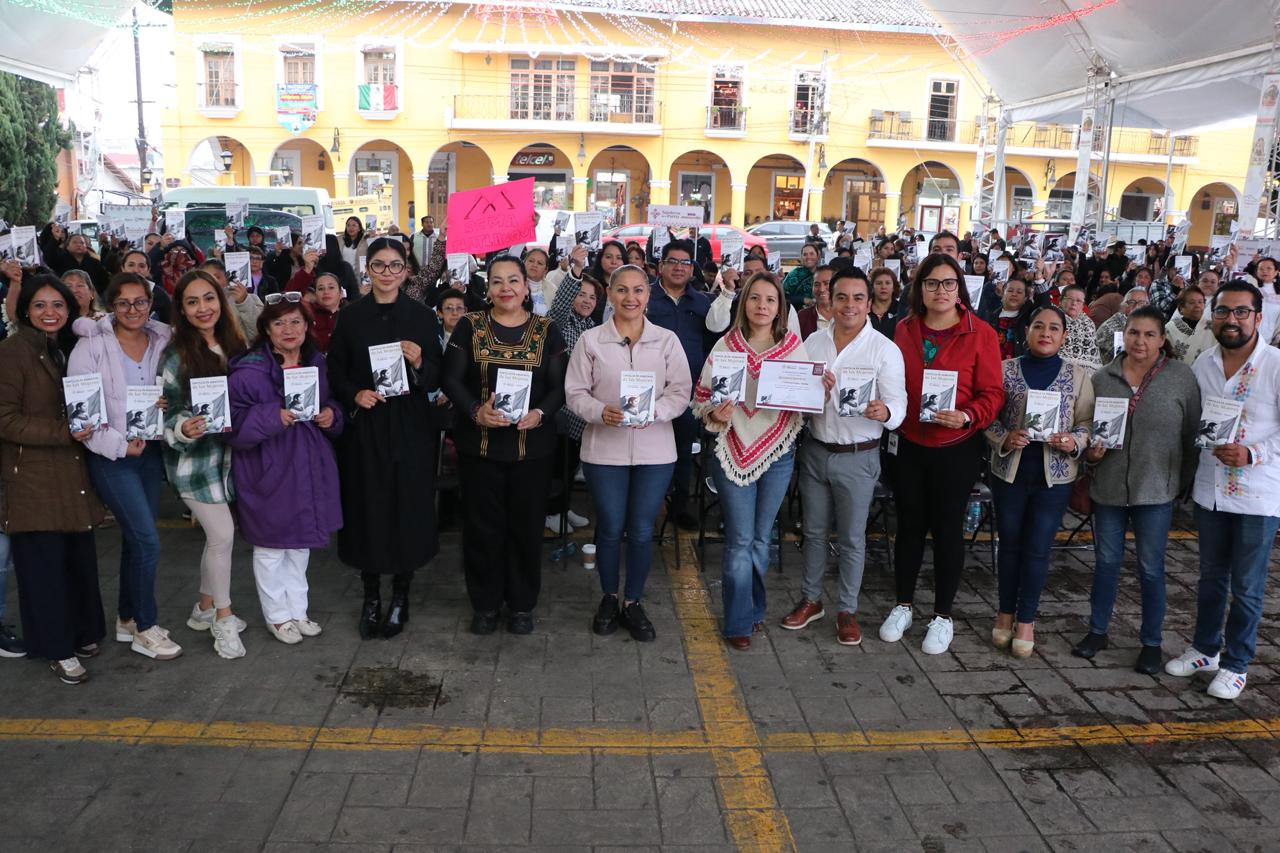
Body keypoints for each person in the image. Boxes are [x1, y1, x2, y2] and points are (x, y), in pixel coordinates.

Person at [881, 253, 1003, 655]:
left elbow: (993, 394)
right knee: (910, 526)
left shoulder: (980, 332)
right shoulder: (904, 329)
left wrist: (968, 415)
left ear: (960, 289)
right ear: (919, 289)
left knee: (948, 529)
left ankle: (943, 614)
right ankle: (903, 605)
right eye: (931, 283)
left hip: (955, 447)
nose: (940, 291)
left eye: (948, 283)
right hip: (909, 444)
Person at [1165, 281, 1280, 699]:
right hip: (1211, 489)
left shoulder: (1276, 365)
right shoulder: (1204, 365)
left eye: (1240, 312)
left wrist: (1253, 453)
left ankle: (1237, 663)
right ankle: (1205, 649)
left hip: (1257, 494)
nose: (1231, 320)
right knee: (1211, 576)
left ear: (1257, 317)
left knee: (1247, 586)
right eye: (1223, 311)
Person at [442, 255, 567, 635]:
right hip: (480, 448)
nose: (506, 288)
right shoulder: (470, 326)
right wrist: (474, 410)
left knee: (526, 527)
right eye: (497, 282)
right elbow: (450, 379)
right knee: (482, 528)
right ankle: (485, 604)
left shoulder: (547, 330)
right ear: (488, 288)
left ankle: (521, 605)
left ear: (526, 286)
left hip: (532, 450)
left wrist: (541, 414)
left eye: (514, 280)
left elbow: (560, 386)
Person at [565, 265, 691, 640]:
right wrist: (599, 412)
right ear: (609, 293)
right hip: (604, 451)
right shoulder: (591, 341)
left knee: (639, 531)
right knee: (610, 528)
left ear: (648, 295)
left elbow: (680, 392)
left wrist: (655, 413)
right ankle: (609, 596)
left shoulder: (667, 340)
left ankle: (633, 602)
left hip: (656, 452)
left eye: (638, 290)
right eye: (622, 290)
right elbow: (574, 393)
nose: (630, 298)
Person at [1072, 305, 1200, 673]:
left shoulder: (1181, 377)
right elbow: (1089, 434)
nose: (1139, 341)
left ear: (1162, 339)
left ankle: (1151, 642)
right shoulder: (1102, 378)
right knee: (1106, 563)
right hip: (1109, 489)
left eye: (1148, 334)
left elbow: (1192, 434)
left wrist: (1179, 483)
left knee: (1150, 569)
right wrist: (1092, 457)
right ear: (1123, 335)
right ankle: (1097, 631)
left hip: (1156, 492)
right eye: (1133, 333)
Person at [782, 268, 905, 645]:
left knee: (852, 537)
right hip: (816, 449)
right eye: (841, 298)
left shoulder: (884, 349)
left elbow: (899, 404)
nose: (849, 306)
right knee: (814, 531)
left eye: (857, 298)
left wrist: (883, 412)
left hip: (858, 454)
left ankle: (848, 609)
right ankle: (811, 599)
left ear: (869, 303)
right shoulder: (813, 343)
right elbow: (795, 398)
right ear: (829, 301)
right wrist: (812, 395)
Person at [327, 237, 442, 639]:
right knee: (368, 508)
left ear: (407, 269)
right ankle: (371, 594)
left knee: (407, 506)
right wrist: (354, 393)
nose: (388, 273)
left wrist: (421, 361)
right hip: (368, 425)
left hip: (410, 424)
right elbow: (336, 371)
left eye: (395, 265)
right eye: (379, 266)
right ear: (367, 270)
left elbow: (437, 375)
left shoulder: (423, 316)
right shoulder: (351, 316)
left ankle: (402, 594)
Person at [67, 272, 182, 661]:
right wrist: (118, 446)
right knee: (148, 540)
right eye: (123, 303)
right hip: (110, 457)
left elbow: (178, 381)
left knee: (137, 540)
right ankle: (147, 628)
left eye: (140, 302)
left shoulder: (162, 338)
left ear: (151, 302)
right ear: (110, 306)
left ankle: (128, 618)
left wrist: (169, 401)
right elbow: (81, 415)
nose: (133, 310)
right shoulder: (90, 346)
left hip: (149, 451)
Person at [693, 272, 808, 650]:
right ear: (744, 303)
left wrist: (813, 391)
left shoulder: (793, 345)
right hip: (731, 448)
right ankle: (738, 622)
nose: (762, 306)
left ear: (780, 308)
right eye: (755, 298)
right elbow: (702, 395)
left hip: (778, 452)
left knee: (761, 539)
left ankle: (755, 610)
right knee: (740, 540)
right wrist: (715, 413)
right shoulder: (726, 344)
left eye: (770, 300)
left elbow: (803, 401)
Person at [0, 276, 106, 683]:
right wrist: (63, 433)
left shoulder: (63, 349)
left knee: (76, 560)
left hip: (69, 471)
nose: (50, 313)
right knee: (43, 571)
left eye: (58, 305)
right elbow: (5, 419)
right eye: (41, 305)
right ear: (25, 309)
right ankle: (57, 648)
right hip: (31, 476)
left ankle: (81, 634)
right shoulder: (12, 353)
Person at [228, 294, 343, 645]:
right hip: (269, 468)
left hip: (308, 466)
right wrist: (272, 416)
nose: (288, 329)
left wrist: (331, 416)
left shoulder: (317, 362)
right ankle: (277, 616)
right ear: (265, 329)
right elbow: (229, 426)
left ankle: (299, 610)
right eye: (278, 323)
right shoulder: (247, 371)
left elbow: (333, 403)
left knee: (299, 546)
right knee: (271, 548)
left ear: (307, 326)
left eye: (295, 321)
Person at [984, 305, 1093, 657]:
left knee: (1037, 549)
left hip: (1055, 479)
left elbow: (1087, 423)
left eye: (1054, 328)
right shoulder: (1004, 371)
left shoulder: (1078, 376)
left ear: (1064, 335)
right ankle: (1004, 613)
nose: (1046, 333)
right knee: (1010, 544)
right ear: (1026, 331)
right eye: (1038, 326)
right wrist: (1004, 437)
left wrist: (1073, 440)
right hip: (1011, 474)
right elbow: (986, 417)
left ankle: (1027, 619)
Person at [158, 269, 249, 659]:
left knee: (217, 536)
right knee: (224, 536)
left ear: (220, 300)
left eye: (208, 298)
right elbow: (166, 412)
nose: (202, 308)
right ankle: (223, 619)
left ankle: (204, 606)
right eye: (192, 301)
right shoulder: (175, 354)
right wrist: (183, 426)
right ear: (180, 308)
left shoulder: (236, 342)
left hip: (229, 459)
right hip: (193, 465)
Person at [646, 240, 712, 530]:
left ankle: (679, 507)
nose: (678, 267)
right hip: (649, 389)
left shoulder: (702, 303)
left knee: (683, 451)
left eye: (685, 262)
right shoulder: (645, 297)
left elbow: (712, 344)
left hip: (687, 392)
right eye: (672, 261)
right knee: (648, 452)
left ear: (692, 268)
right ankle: (647, 508)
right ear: (661, 266)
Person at [545, 270, 602, 534]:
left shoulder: (592, 328)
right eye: (582, 294)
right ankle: (550, 512)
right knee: (557, 465)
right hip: (561, 407)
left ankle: (563, 507)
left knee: (570, 464)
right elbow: (559, 304)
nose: (587, 301)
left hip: (582, 408)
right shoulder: (560, 322)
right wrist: (575, 272)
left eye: (592, 297)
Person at [1095, 287, 1149, 364]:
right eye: (1132, 302)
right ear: (1124, 306)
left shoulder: (1146, 325)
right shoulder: (1114, 325)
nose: (1136, 306)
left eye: (1141, 303)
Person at [1166, 286, 1213, 364]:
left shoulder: (1212, 327)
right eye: (1192, 302)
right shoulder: (1170, 328)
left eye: (1200, 302)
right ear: (1181, 307)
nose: (1197, 305)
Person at [1059, 284, 1100, 369]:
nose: (1074, 303)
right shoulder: (1054, 318)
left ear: (1083, 305)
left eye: (1078, 301)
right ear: (1060, 300)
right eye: (1070, 299)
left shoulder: (1088, 323)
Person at [794, 264, 835, 340]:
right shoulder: (803, 317)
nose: (821, 289)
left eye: (827, 283)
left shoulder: (846, 314)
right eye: (816, 284)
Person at [309, 272, 344, 353]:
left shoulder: (351, 315)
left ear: (340, 293)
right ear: (315, 294)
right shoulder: (308, 314)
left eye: (331, 287)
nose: (326, 292)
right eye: (321, 288)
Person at [783, 243, 820, 308]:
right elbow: (782, 296)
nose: (808, 257)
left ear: (818, 256)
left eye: (811, 254)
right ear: (801, 258)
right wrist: (802, 300)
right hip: (797, 314)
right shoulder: (795, 274)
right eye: (805, 254)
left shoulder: (823, 273)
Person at [868, 267, 901, 339]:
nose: (883, 287)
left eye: (888, 283)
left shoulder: (902, 310)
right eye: (879, 283)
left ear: (894, 287)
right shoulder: (864, 310)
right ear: (872, 287)